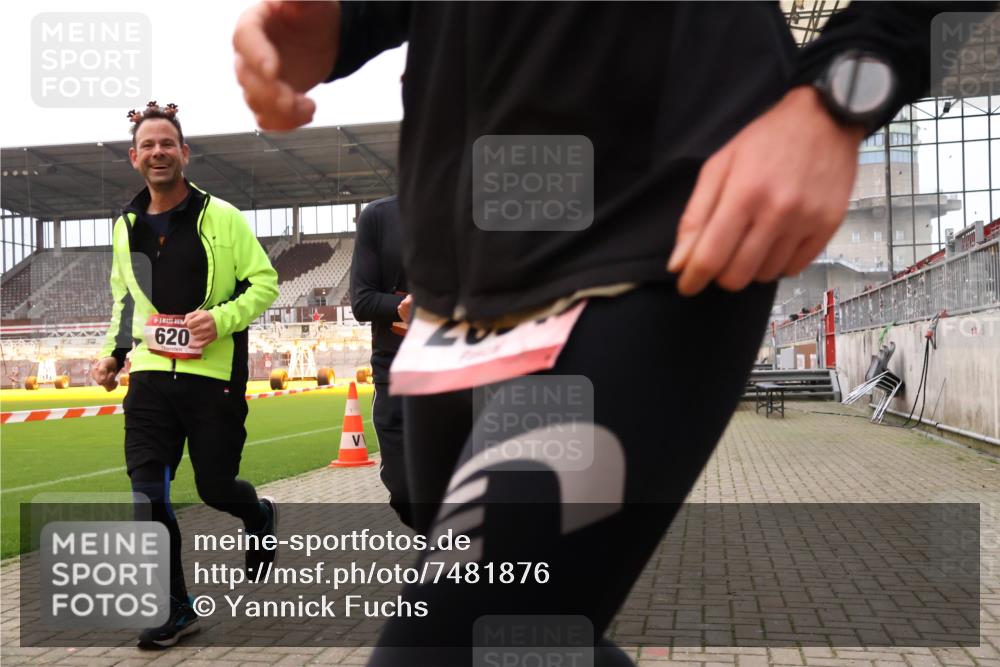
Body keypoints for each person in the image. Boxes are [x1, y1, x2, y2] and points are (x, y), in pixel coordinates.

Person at [233, 2, 991, 664]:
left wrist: (838, 92)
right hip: (459, 293)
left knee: (458, 632)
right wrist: (335, 25)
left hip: (657, 228)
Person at [91, 102, 280, 650]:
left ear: (184, 153)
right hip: (150, 380)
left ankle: (258, 514)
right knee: (148, 496)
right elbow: (125, 301)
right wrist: (114, 354)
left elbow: (264, 283)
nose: (157, 152)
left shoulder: (221, 216)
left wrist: (219, 320)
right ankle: (175, 608)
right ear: (134, 157)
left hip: (213, 378)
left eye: (166, 143)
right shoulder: (124, 227)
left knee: (216, 487)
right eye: (147, 145)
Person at [348, 194, 414, 528]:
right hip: (397, 371)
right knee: (405, 491)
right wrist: (399, 307)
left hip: (464, 374)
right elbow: (361, 301)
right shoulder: (378, 216)